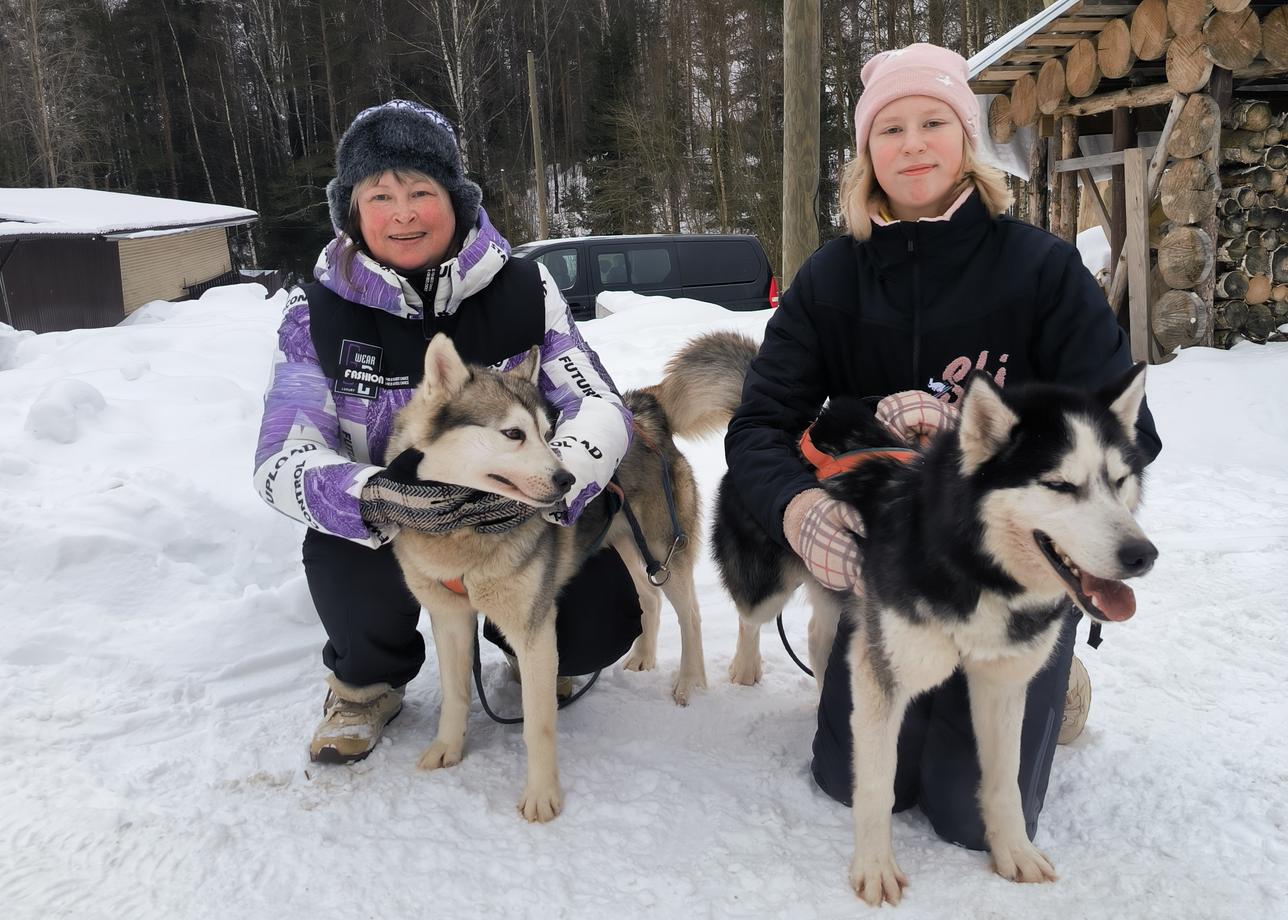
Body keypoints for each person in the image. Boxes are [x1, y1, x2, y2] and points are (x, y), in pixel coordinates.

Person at [724, 44, 1162, 850]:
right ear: (866, 154)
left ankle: (1056, 681)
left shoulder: (1043, 268)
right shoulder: (829, 279)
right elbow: (756, 427)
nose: (913, 144)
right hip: (895, 580)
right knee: (854, 783)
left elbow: (1127, 429)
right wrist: (800, 511)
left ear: (967, 140)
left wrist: (981, 434)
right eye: (890, 129)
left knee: (967, 818)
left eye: (934, 122)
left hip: (1013, 578)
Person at [253, 100, 639, 764]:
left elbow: (598, 401)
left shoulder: (523, 287)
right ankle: (366, 686)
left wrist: (556, 479)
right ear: (354, 212)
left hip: (516, 517)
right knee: (347, 561)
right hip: (386, 529)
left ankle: (529, 648)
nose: (402, 212)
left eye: (421, 191)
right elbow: (281, 457)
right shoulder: (312, 313)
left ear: (454, 200)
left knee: (597, 618)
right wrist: (375, 495)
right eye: (380, 195)